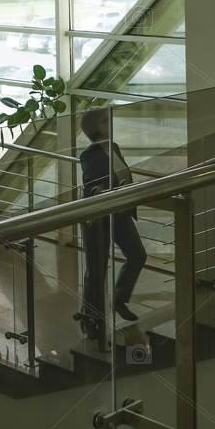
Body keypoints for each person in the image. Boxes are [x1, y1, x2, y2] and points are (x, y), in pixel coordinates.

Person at [74, 105, 147, 345]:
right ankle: (91, 319)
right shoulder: (89, 155)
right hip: (99, 217)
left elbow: (123, 175)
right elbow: (90, 186)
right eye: (106, 121)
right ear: (95, 128)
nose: (111, 123)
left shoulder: (114, 147)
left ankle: (118, 298)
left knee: (137, 254)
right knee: (97, 270)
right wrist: (100, 191)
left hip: (121, 212)